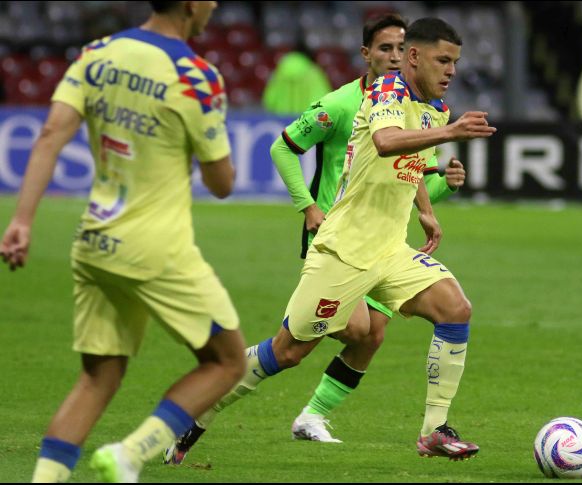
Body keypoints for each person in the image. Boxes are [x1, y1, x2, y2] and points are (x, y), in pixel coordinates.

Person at [166, 16, 496, 462]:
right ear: (415, 57)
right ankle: (197, 412)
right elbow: (386, 141)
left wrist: (426, 209)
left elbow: (411, 158)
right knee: (287, 352)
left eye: (455, 62)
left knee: (455, 309)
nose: (452, 70)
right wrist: (453, 132)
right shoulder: (387, 91)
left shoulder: (434, 107)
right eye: (444, 60)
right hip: (344, 250)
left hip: (389, 249)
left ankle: (433, 431)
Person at [0, 1, 248, 482]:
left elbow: (51, 132)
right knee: (227, 362)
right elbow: (221, 183)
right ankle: (131, 454)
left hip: (94, 240)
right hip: (155, 248)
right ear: (191, 4)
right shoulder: (196, 76)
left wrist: (22, 221)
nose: (215, 5)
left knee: (98, 377)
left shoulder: (98, 53)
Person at [262, 45, 332, 115]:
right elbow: (323, 99)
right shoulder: (314, 73)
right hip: (307, 119)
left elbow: (269, 100)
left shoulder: (279, 72)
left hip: (281, 118)